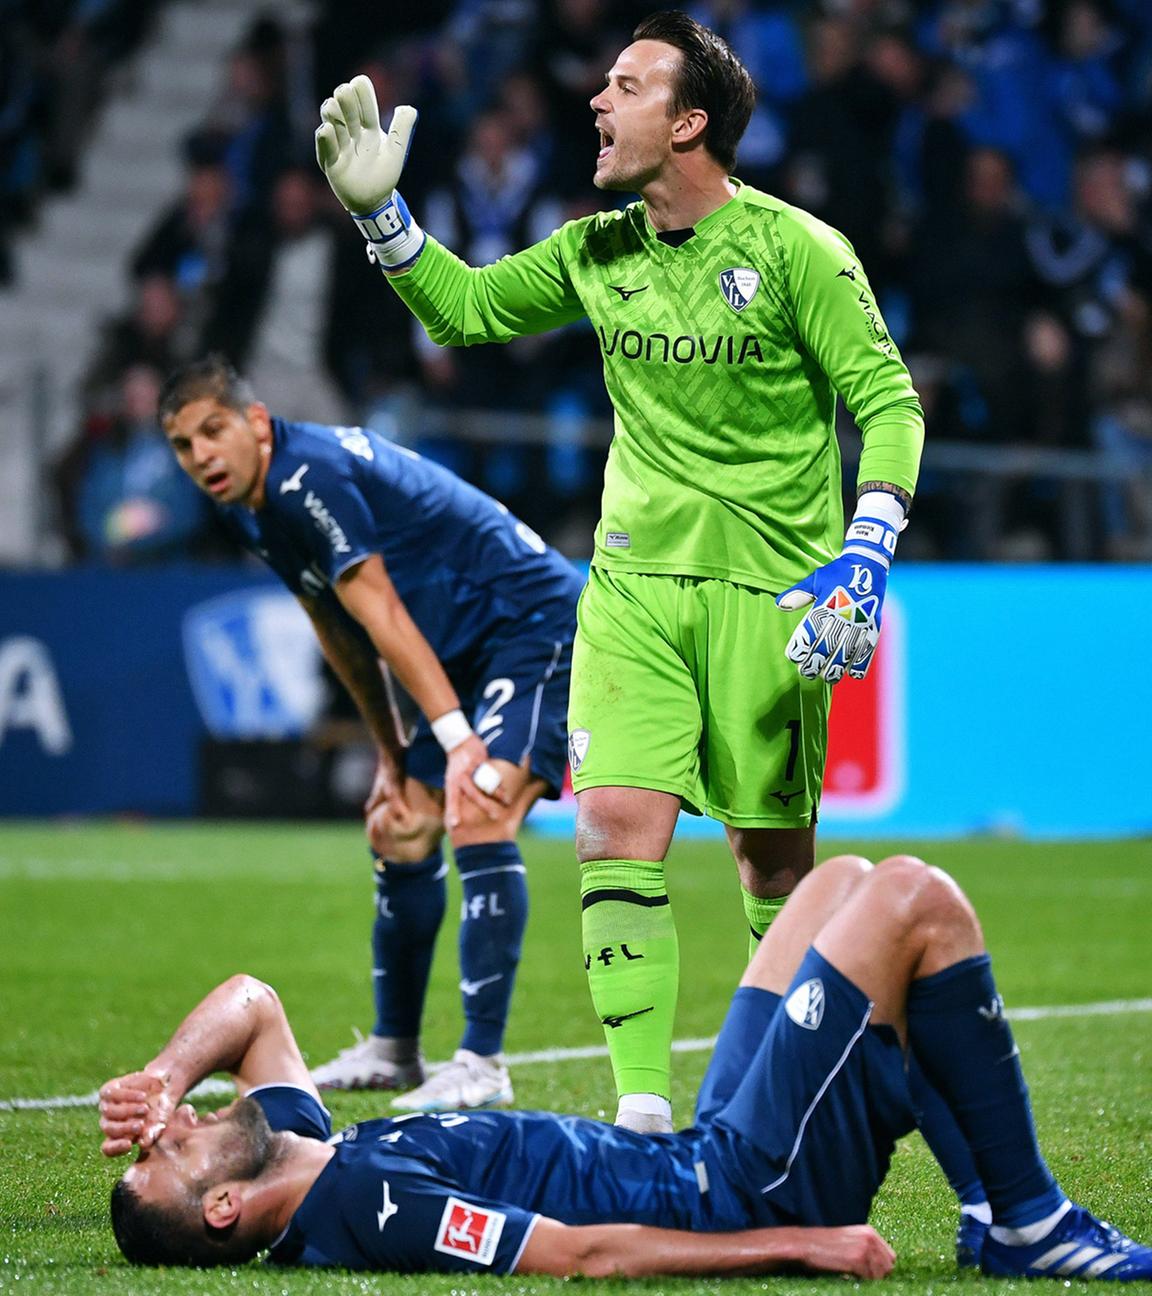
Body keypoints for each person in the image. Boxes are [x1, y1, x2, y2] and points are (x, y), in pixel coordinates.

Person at [313, 11, 926, 1132]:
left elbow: (887, 402)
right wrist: (381, 216)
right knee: (613, 830)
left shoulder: (799, 249)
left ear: (689, 122)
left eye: (627, 86)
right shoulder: (598, 250)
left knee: (772, 867)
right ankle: (643, 1114)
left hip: (774, 594)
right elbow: (466, 311)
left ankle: (768, 1106)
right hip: (636, 586)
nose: (597, 102)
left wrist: (867, 548)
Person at [98, 852, 1152, 1281]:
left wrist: (160, 1072)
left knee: (838, 881)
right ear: (226, 1209)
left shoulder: (312, 1149)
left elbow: (253, 1003)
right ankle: (1031, 1221)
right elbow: (580, 1255)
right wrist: (800, 1243)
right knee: (914, 900)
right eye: (172, 1154)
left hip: (702, 1150)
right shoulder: (368, 1208)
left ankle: (984, 1209)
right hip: (730, 1189)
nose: (174, 1125)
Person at [158, 355, 583, 1112]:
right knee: (402, 828)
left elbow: (379, 606)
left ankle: (482, 1062)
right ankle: (394, 1051)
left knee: (479, 804)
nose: (202, 457)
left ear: (255, 422)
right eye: (184, 446)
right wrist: (389, 752)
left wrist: (457, 745)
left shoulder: (305, 475)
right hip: (461, 648)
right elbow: (338, 625)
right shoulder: (253, 506)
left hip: (530, 620)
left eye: (213, 431)